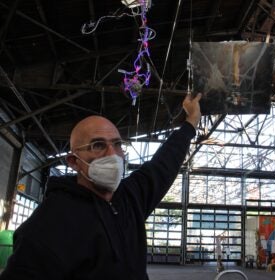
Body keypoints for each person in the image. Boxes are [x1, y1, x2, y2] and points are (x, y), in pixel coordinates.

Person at [0, 93, 202, 280]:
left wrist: (191, 122)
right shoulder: (48, 225)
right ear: (73, 161)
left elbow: (164, 163)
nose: (111, 154)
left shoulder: (129, 197)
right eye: (98, 145)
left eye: (117, 144)